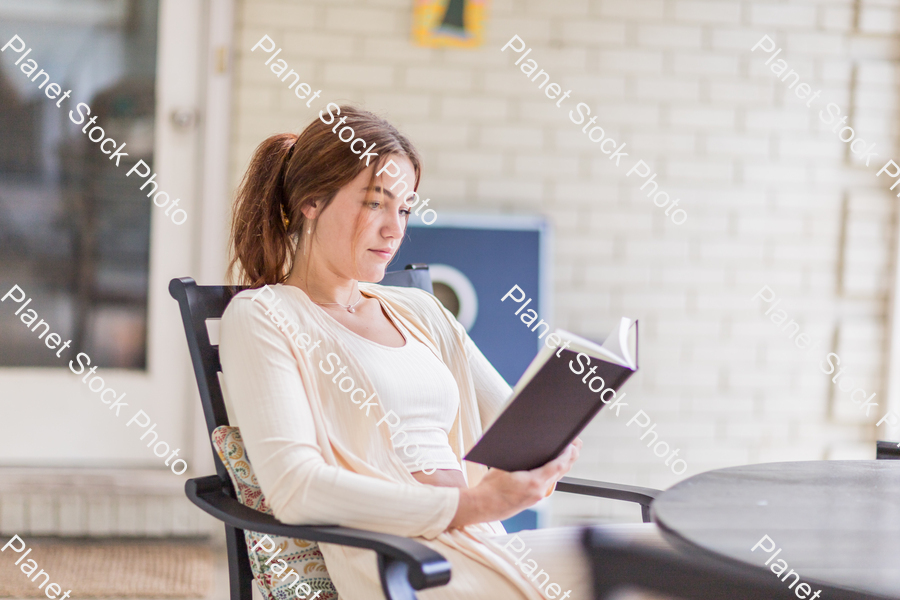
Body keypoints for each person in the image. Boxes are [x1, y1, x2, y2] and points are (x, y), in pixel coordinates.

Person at [220, 105, 663, 600]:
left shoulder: (420, 311)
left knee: (671, 548)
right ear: (311, 202)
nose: (395, 229)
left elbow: (511, 425)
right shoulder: (264, 316)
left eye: (405, 208)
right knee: (659, 570)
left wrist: (556, 437)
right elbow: (297, 489)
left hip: (484, 544)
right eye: (375, 203)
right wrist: (472, 505)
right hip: (404, 567)